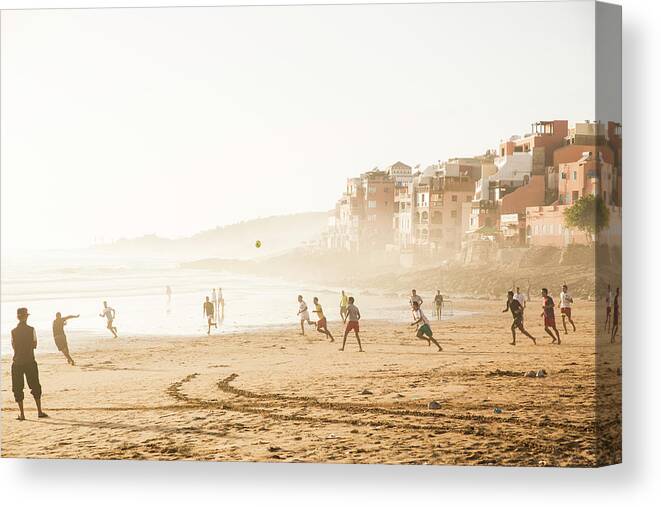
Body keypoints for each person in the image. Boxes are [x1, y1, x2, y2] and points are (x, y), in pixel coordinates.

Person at [11, 308, 48, 421]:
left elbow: (13, 346)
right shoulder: (31, 329)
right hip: (29, 360)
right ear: (26, 317)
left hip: (17, 362)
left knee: (17, 388)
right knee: (35, 385)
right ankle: (39, 411)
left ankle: (22, 414)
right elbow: (35, 344)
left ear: (18, 317)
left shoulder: (13, 331)